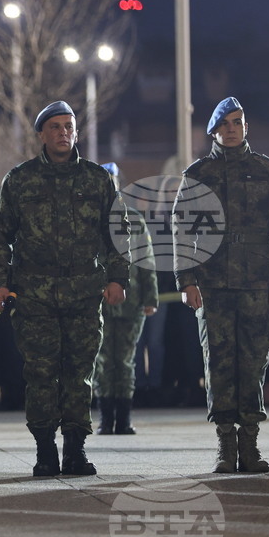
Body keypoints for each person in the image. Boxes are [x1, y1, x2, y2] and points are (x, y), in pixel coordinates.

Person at [0, 101, 129, 477]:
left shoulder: (98, 179)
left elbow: (117, 233)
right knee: (40, 373)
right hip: (34, 292)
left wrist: (118, 278)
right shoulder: (20, 179)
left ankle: (75, 449)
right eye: (55, 127)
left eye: (68, 126)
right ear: (42, 135)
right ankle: (45, 449)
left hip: (84, 290)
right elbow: (0, 234)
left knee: (79, 372)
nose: (63, 132)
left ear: (76, 132)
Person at [173, 97, 269, 474]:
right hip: (212, 283)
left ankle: (250, 444)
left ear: (246, 127)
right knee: (219, 362)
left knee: (254, 362)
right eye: (224, 123)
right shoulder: (198, 174)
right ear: (213, 129)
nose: (231, 128)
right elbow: (181, 230)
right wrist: (186, 279)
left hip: (257, 281)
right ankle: (226, 444)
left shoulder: (267, 171)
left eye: (237, 121)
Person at [93, 162, 158, 435]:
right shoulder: (90, 219)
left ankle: (125, 418)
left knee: (126, 360)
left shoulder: (134, 219)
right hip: (99, 303)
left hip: (129, 303)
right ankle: (107, 418)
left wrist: (150, 297)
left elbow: (146, 262)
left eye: (112, 179)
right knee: (103, 361)